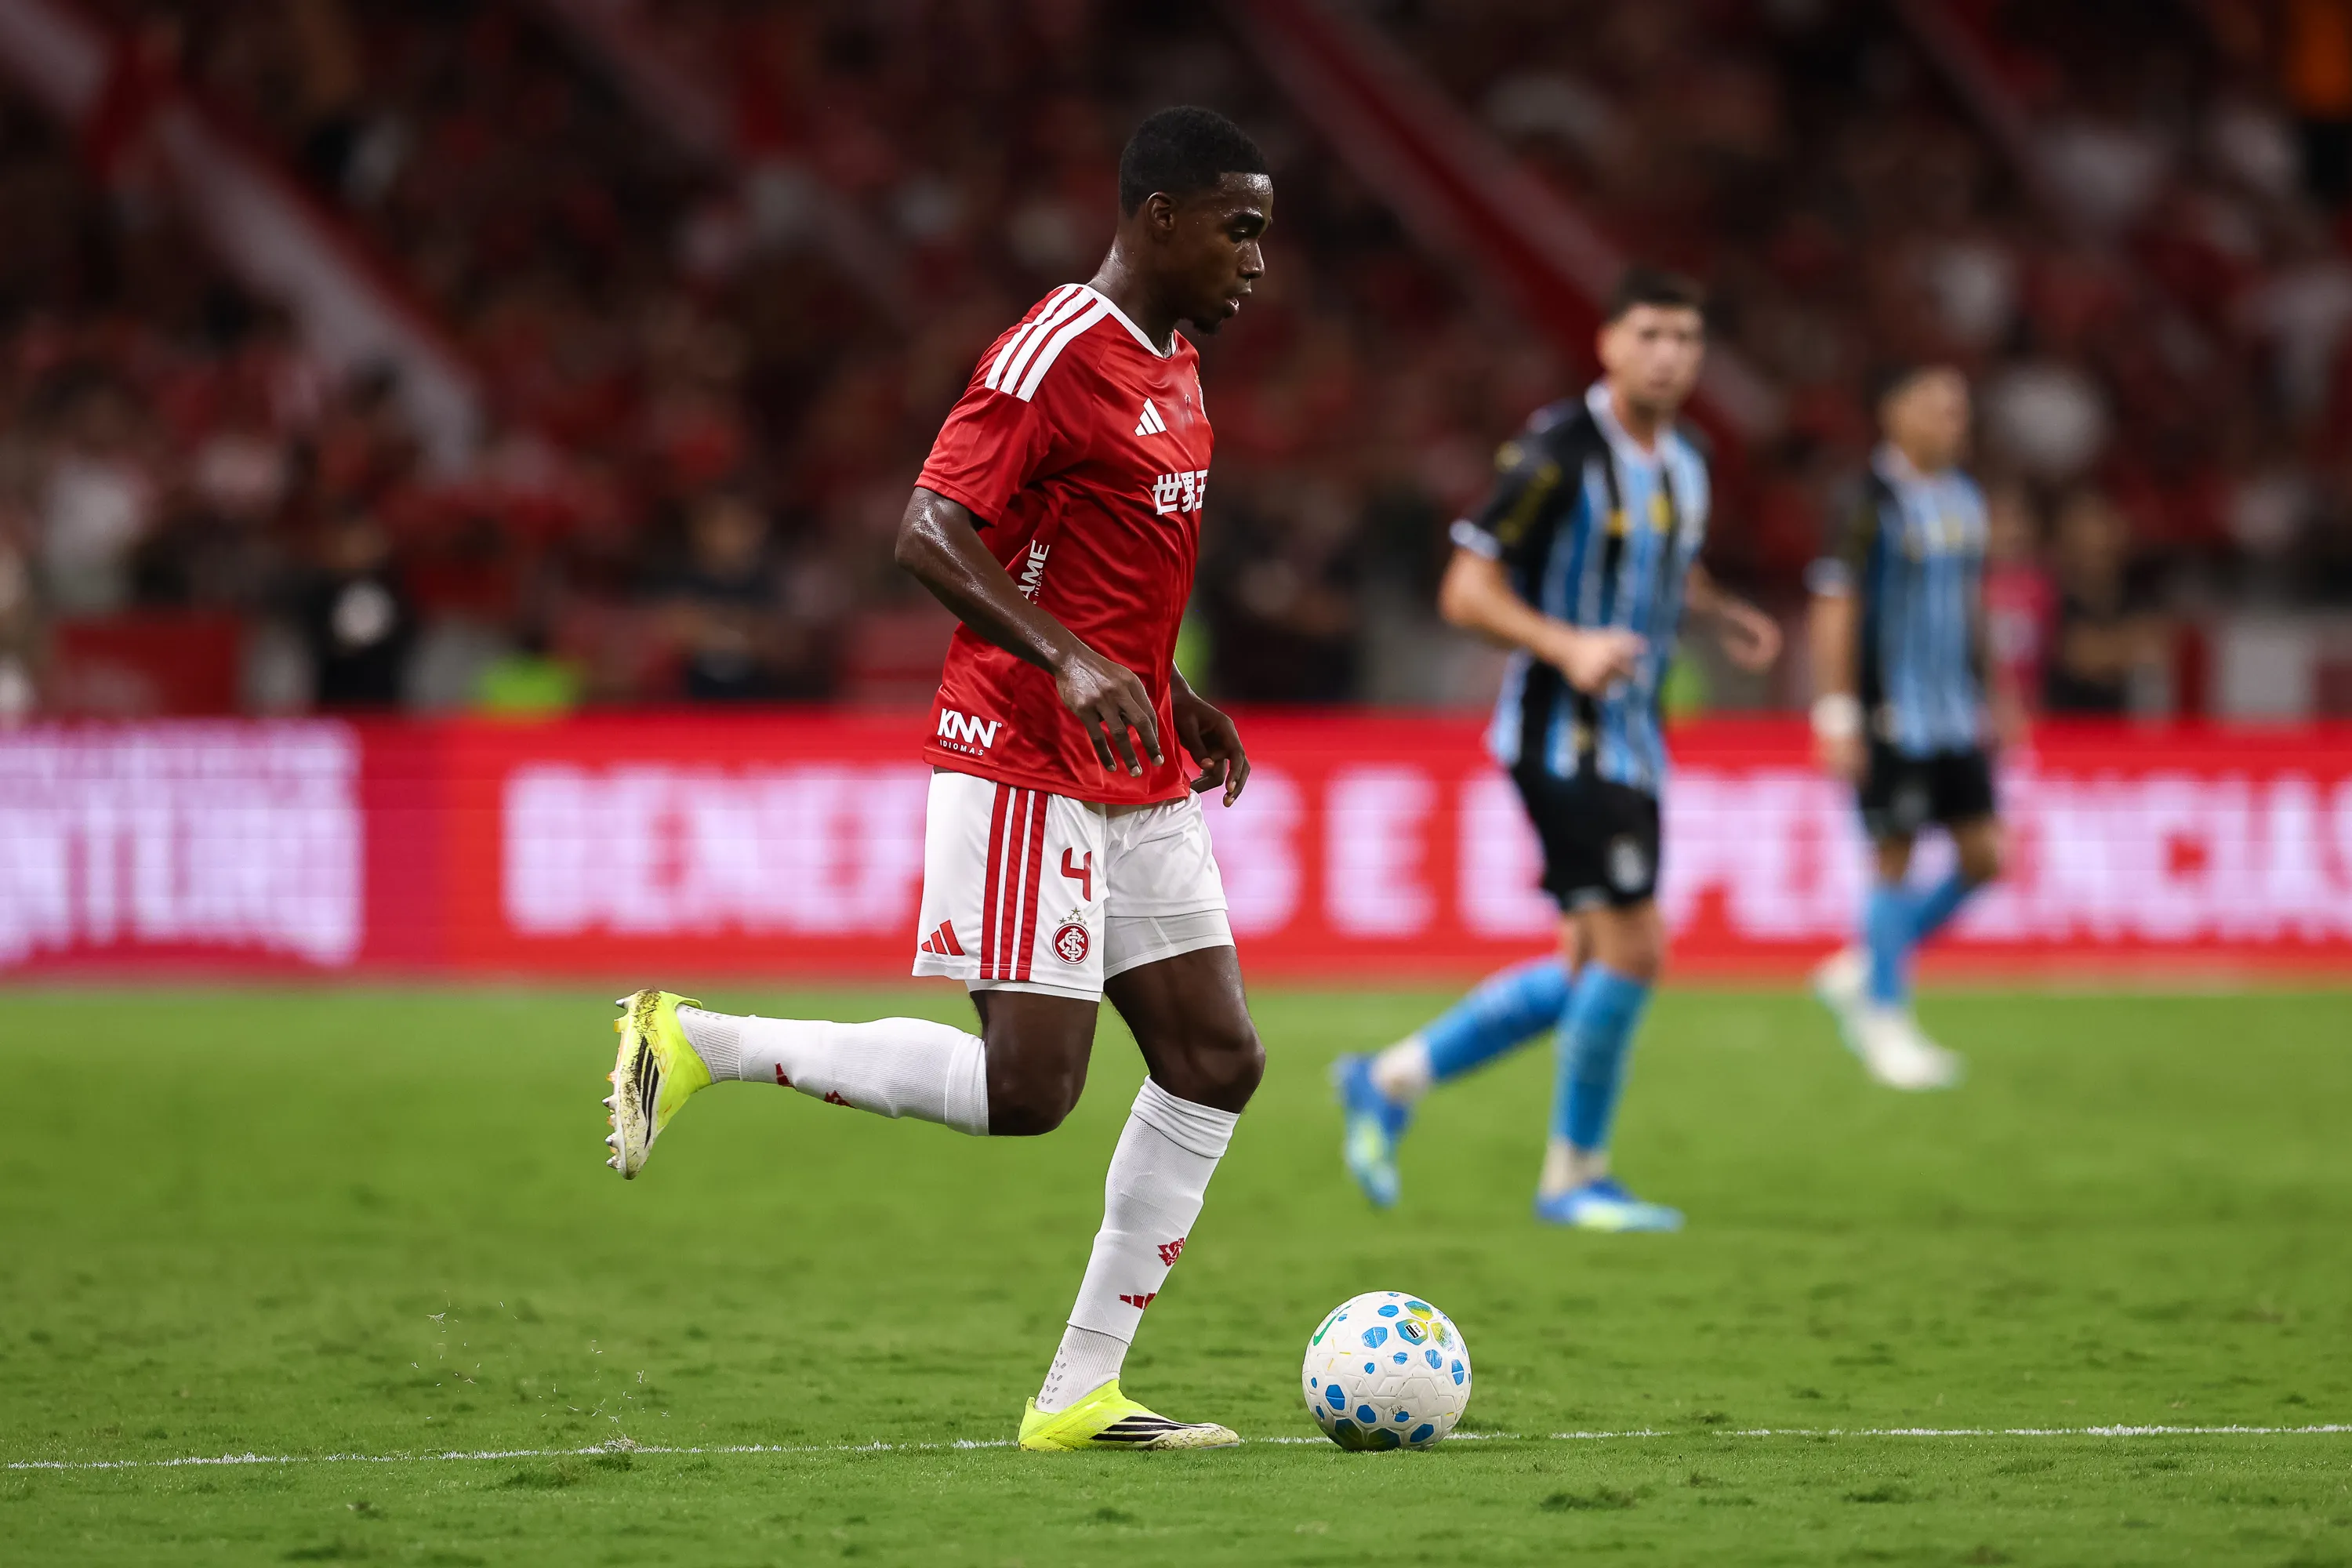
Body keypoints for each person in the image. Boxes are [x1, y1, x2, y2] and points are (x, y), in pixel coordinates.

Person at [601, 107, 1270, 1453]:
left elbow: (1102, 563)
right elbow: (927, 530)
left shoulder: (1178, 361)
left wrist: (1167, 686)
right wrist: (1073, 662)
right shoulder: (1053, 352)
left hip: (1128, 753)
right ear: (1159, 219)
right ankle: (699, 1042)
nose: (1259, 259)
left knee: (1215, 1061)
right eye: (1240, 228)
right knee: (1033, 1093)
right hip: (1023, 754)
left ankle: (1080, 1394)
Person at [1330, 267, 1782, 1230]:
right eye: (1650, 333)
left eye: (1685, 338)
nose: (1668, 354)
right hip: (1559, 734)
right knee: (1637, 945)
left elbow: (1664, 553)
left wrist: (1721, 610)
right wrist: (1567, 644)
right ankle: (1574, 1177)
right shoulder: (1556, 452)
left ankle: (1389, 1077)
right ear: (1610, 344)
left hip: (1633, 736)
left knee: (1589, 964)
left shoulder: (1689, 457)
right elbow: (1465, 590)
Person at [1806, 365, 2012, 1089]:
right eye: (1936, 407)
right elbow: (1835, 607)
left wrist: (1997, 689)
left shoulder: (1966, 499)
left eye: (1959, 408)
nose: (1953, 420)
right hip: (1890, 708)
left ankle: (1867, 965)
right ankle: (1884, 1020)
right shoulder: (1867, 501)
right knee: (1892, 854)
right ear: (1894, 415)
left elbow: (1971, 602)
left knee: (1986, 857)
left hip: (1954, 709)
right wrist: (1836, 711)